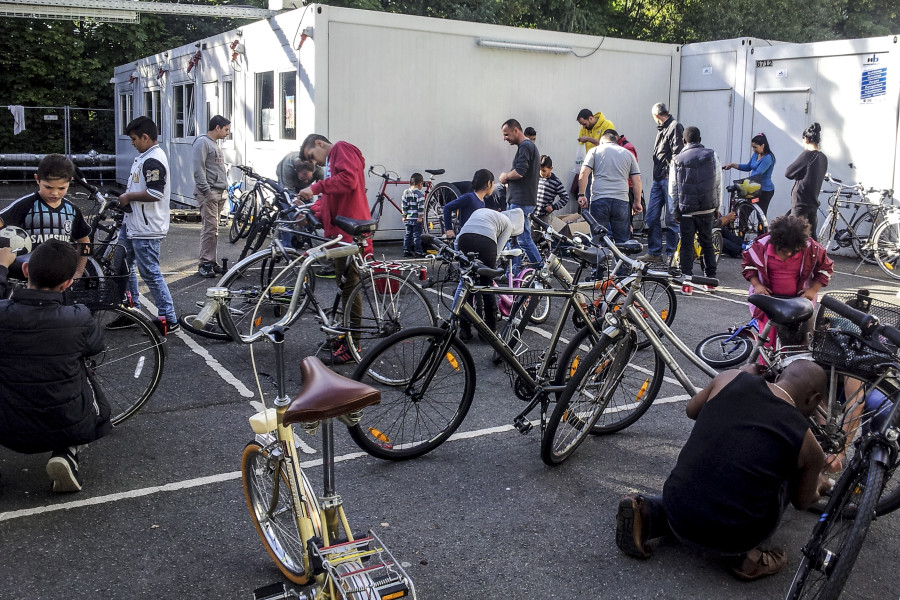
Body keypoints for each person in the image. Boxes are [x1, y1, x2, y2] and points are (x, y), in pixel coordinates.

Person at [615, 360, 831, 580]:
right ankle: (749, 557)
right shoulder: (808, 444)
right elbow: (802, 502)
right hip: (733, 537)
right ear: (813, 399)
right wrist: (820, 484)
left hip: (677, 507)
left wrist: (738, 375)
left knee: (715, 462)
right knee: (788, 474)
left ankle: (648, 511)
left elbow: (691, 410)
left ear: (779, 377)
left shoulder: (729, 379)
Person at [0, 239, 111, 493]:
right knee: (86, 378)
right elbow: (95, 347)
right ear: (68, 283)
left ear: (26, 270)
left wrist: (2, 269)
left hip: (7, 427)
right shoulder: (80, 316)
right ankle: (67, 453)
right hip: (67, 420)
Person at [297, 133, 371, 364]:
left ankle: (353, 344)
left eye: (313, 156)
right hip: (342, 232)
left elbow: (349, 181)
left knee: (349, 288)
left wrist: (316, 187)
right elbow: (333, 195)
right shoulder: (332, 160)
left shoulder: (340, 148)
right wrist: (314, 211)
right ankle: (347, 336)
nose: (315, 163)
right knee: (343, 287)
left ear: (319, 143)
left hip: (350, 232)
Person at [115, 116, 178, 335]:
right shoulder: (144, 157)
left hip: (147, 228)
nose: (131, 143)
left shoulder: (153, 160)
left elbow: (155, 193)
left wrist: (128, 196)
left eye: (133, 139)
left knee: (150, 272)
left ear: (145, 137)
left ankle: (168, 318)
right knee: (121, 265)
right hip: (133, 225)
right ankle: (133, 312)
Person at [741, 214, 834, 344]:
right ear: (775, 243)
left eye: (794, 251)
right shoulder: (760, 246)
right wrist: (757, 285)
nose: (789, 254)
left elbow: (826, 269)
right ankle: (766, 364)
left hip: (798, 303)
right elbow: (748, 266)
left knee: (799, 342)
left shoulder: (812, 249)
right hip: (768, 302)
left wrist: (813, 290)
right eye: (784, 251)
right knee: (768, 341)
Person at [0, 153, 91, 279]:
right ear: (37, 179)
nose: (54, 193)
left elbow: (85, 242)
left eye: (61, 188)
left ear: (70, 180)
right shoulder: (25, 205)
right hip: (26, 278)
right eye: (48, 187)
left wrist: (79, 271)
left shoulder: (72, 210)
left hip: (60, 278)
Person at [454, 207, 524, 342]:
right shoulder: (508, 224)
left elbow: (458, 239)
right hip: (486, 241)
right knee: (487, 284)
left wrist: (460, 261)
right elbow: (498, 251)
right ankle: (489, 330)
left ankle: (464, 330)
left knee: (466, 283)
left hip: (465, 238)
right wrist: (490, 268)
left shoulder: (482, 212)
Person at [669, 126, 721, 295]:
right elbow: (718, 183)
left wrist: (674, 211)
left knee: (686, 244)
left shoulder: (677, 159)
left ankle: (687, 283)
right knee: (707, 242)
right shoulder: (712, 155)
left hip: (687, 210)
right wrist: (717, 207)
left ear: (684, 141)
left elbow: (673, 189)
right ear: (700, 139)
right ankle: (710, 281)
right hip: (707, 208)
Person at [577, 129, 642, 245]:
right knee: (622, 241)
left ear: (602, 141)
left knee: (598, 240)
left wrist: (581, 194)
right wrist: (637, 202)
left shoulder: (594, 151)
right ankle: (622, 263)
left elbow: (583, 173)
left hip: (599, 200)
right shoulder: (627, 153)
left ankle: (599, 263)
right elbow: (636, 180)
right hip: (621, 201)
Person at [499, 119, 542, 269]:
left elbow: (520, 172)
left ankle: (541, 270)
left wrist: (505, 176)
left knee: (523, 239)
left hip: (521, 201)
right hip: (519, 200)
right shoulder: (527, 146)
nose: (505, 138)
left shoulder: (525, 146)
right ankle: (513, 273)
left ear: (516, 130)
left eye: (506, 134)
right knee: (514, 240)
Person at [645, 102, 683, 262]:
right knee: (651, 216)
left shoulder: (675, 126)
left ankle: (671, 255)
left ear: (656, 115)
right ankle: (654, 253)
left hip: (668, 180)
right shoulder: (663, 128)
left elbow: (678, 152)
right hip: (658, 179)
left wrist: (670, 173)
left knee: (671, 219)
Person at [193, 115, 231, 278]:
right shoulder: (202, 142)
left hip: (218, 192)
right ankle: (205, 263)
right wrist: (207, 192)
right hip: (209, 193)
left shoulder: (214, 144)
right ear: (217, 128)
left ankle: (211, 261)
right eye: (226, 129)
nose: (228, 133)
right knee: (210, 228)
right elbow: (198, 169)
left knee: (213, 229)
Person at [785, 123, 828, 238]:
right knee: (811, 238)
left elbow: (788, 172)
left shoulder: (808, 155)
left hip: (800, 201)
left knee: (794, 237)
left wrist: (799, 174)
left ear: (807, 139)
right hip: (813, 201)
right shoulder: (823, 158)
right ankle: (814, 256)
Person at [724, 132, 776, 217]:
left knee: (761, 215)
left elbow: (758, 173)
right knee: (744, 211)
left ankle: (762, 230)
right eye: (753, 147)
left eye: (755, 147)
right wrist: (732, 165)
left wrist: (742, 183)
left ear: (763, 145)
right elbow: (748, 167)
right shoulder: (756, 154)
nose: (753, 149)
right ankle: (743, 230)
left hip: (765, 190)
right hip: (754, 187)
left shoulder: (768, 158)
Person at [442, 169, 494, 238]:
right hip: (464, 236)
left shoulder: (482, 202)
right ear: (489, 183)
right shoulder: (469, 197)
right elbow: (447, 208)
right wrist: (449, 229)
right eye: (493, 184)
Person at [401, 172, 426, 257]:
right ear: (420, 184)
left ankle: (406, 250)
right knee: (417, 236)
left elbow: (404, 205)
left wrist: (404, 216)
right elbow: (421, 207)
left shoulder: (405, 192)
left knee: (408, 234)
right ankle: (418, 252)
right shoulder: (420, 194)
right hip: (416, 219)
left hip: (408, 218)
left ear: (409, 183)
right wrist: (420, 217)